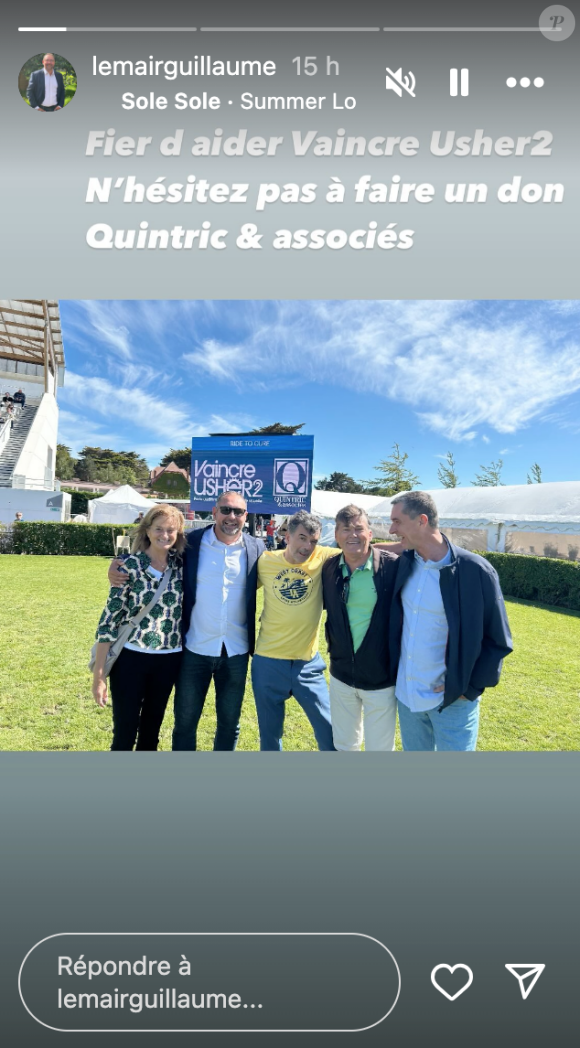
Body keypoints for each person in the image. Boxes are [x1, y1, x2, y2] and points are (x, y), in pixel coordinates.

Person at [108, 490, 264, 750]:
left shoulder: (257, 548)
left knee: (230, 723)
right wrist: (119, 563)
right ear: (214, 513)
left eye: (238, 512)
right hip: (195, 649)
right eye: (226, 510)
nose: (231, 516)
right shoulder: (192, 543)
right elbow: (155, 551)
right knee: (185, 722)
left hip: (236, 651)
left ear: (245, 516)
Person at [388, 491, 513, 752]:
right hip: (407, 698)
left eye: (397, 522)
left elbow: (498, 639)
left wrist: (468, 687)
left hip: (454, 701)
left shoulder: (475, 570)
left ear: (422, 520)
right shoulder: (404, 565)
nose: (391, 530)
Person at [93, 505, 185, 750]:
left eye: (171, 530)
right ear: (147, 530)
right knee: (124, 733)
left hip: (168, 660)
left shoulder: (182, 567)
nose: (164, 535)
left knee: (151, 734)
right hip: (131, 659)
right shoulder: (128, 566)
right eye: (158, 529)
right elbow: (108, 623)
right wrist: (99, 676)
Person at [251, 510, 338, 751]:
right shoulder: (266, 561)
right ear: (287, 536)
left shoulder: (324, 557)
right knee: (270, 737)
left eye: (313, 540)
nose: (308, 546)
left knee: (330, 732)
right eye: (302, 537)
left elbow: (362, 549)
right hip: (268, 662)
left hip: (307, 664)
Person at [322, 505, 399, 751]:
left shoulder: (393, 568)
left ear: (370, 533)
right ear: (336, 535)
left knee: (379, 750)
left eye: (358, 528)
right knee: (345, 745)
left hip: (381, 679)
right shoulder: (329, 568)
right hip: (341, 676)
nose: (352, 535)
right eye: (346, 529)